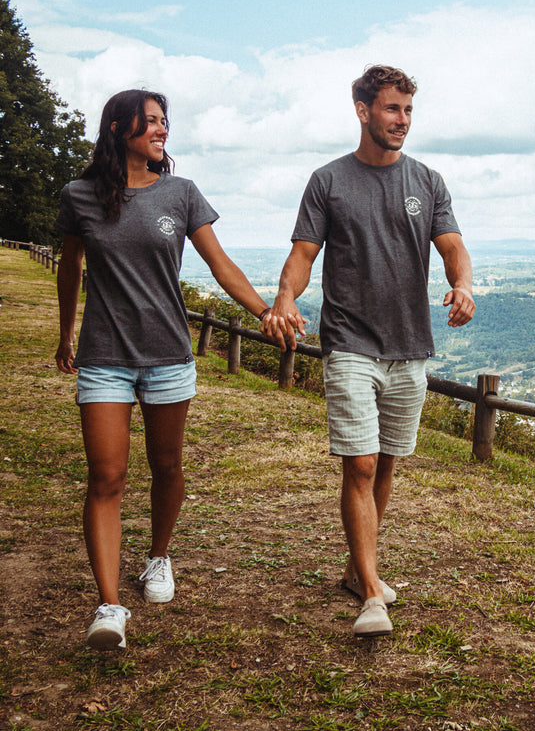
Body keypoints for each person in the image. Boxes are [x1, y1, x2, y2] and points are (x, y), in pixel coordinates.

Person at [55, 89, 272, 650]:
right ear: (116, 128)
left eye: (163, 121)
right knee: (106, 477)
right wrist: (66, 332)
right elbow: (70, 267)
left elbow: (220, 265)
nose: (161, 129)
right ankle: (108, 606)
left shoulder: (181, 193)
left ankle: (157, 558)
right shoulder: (78, 196)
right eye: (149, 121)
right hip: (105, 358)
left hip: (169, 356)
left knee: (167, 467)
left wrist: (267, 312)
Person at [263, 65, 475, 637]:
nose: (402, 121)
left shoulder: (428, 181)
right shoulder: (328, 181)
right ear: (363, 111)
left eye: (407, 111)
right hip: (351, 341)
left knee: (384, 463)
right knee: (358, 463)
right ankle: (370, 598)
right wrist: (284, 299)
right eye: (391, 109)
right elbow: (304, 256)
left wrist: (463, 285)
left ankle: (362, 572)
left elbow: (453, 246)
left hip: (410, 348)